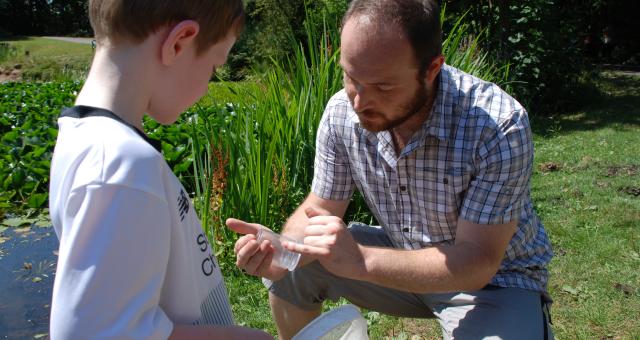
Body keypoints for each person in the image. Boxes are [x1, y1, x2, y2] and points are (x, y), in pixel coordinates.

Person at [226, 0, 554, 339]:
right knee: (299, 267)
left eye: (383, 87)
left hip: (492, 284)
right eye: (350, 77)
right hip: (400, 256)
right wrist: (282, 250)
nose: (358, 101)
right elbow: (320, 209)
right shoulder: (342, 113)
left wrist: (363, 262)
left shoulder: (497, 125)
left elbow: (477, 261)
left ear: (432, 69)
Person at [48, 1, 272, 339]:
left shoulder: (87, 140)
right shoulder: (120, 164)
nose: (207, 85)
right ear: (180, 42)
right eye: (213, 68)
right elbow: (95, 334)